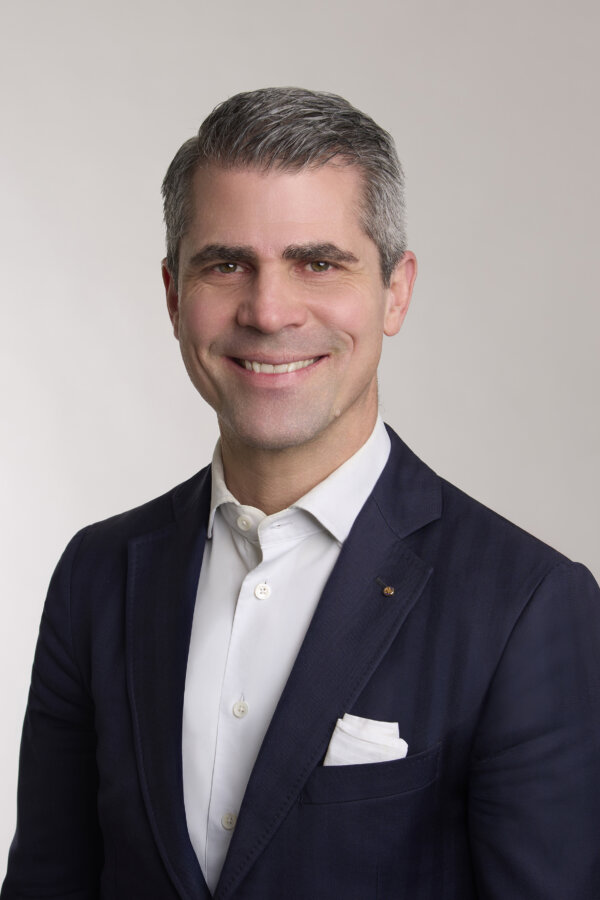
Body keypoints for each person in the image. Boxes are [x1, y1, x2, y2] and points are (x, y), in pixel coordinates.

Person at [2, 87, 599, 900]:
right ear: (174, 295)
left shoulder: (526, 605)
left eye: (318, 262)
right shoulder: (97, 574)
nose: (269, 311)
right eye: (226, 264)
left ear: (395, 291)